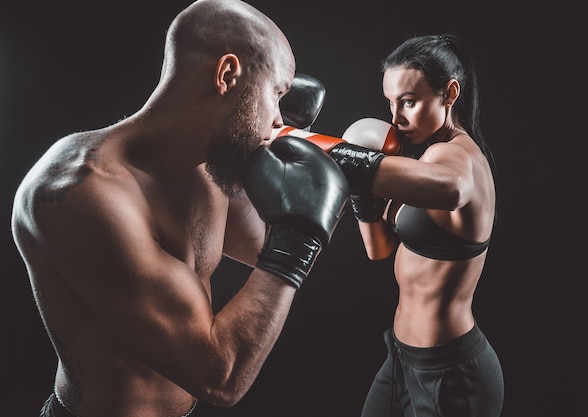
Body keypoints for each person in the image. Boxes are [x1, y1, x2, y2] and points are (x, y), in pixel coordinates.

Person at [9, 1, 349, 416]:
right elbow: (219, 377)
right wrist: (298, 239)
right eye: (277, 93)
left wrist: (352, 188)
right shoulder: (82, 192)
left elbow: (259, 244)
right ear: (227, 75)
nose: (279, 119)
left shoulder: (210, 166)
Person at [326, 34, 504, 416]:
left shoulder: (455, 155)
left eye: (409, 101)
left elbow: (455, 188)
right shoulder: (423, 163)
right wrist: (362, 193)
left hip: (451, 372)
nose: (395, 118)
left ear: (450, 93)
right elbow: (379, 249)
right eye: (391, 102)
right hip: (401, 358)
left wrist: (352, 162)